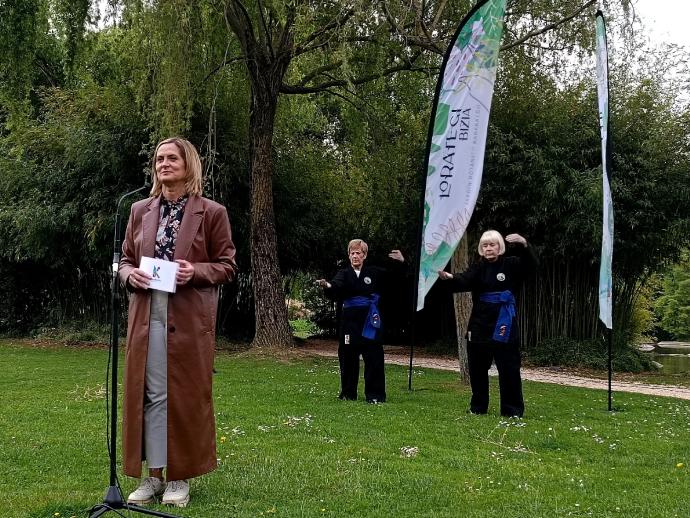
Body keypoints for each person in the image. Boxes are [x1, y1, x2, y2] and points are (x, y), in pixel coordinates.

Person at [118, 137, 237, 507]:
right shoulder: (138, 209)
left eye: (172, 158)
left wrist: (195, 271)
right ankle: (153, 476)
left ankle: (178, 479)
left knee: (182, 397)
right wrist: (127, 276)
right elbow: (123, 260)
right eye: (158, 158)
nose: (163, 164)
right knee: (149, 393)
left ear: (189, 165)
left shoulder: (212, 212)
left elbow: (227, 266)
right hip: (145, 314)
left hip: (186, 317)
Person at [438, 231, 537, 417]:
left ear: (500, 247)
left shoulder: (512, 264)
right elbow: (464, 279)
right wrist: (450, 278)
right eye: (485, 245)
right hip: (480, 323)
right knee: (477, 368)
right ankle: (478, 407)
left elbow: (531, 265)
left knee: (509, 368)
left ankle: (512, 410)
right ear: (481, 249)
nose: (489, 248)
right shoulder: (478, 267)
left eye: (492, 245)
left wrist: (524, 243)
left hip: (504, 321)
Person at [317, 239, 404, 403]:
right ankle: (348, 394)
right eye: (352, 253)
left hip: (370, 321)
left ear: (364, 255)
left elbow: (393, 278)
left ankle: (375, 395)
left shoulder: (373, 272)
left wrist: (400, 262)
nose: (355, 256)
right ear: (349, 256)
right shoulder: (344, 273)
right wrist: (327, 285)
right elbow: (335, 285)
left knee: (374, 357)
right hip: (350, 323)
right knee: (348, 357)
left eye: (358, 253)